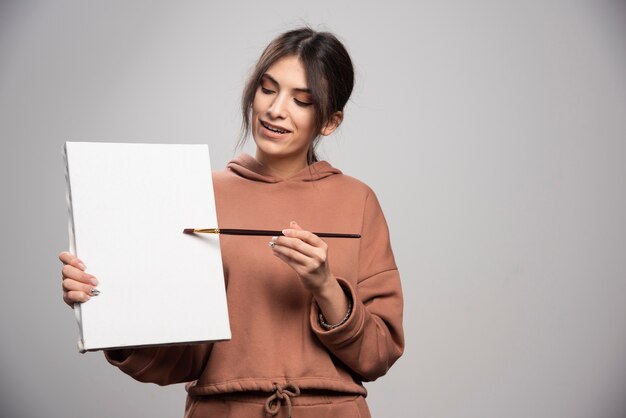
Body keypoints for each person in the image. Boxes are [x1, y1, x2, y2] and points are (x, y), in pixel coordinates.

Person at [60, 27, 404, 418]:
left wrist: (325, 287)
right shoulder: (197, 194)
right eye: (268, 88)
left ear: (330, 122)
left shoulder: (357, 200)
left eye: (302, 100)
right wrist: (107, 307)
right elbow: (181, 359)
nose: (276, 109)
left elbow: (378, 354)